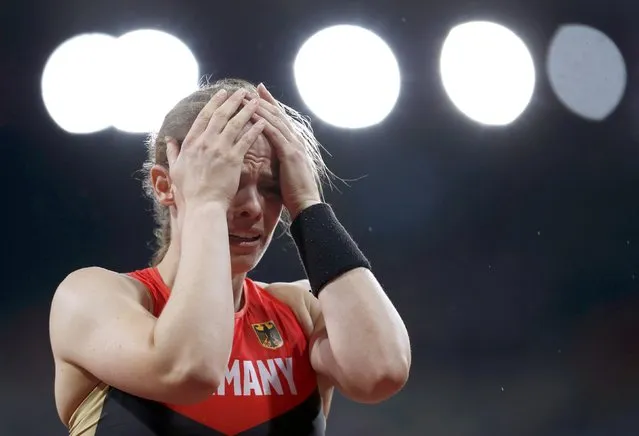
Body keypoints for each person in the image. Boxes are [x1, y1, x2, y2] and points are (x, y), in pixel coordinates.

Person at [49, 78, 411, 435]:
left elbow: (381, 373)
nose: (253, 207)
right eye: (230, 182)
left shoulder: (300, 310)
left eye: (272, 188)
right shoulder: (91, 297)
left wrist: (307, 203)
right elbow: (189, 370)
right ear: (165, 185)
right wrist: (207, 200)